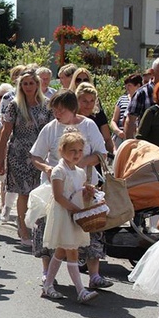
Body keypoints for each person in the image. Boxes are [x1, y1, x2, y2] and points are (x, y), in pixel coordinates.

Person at [30, 89, 111, 289]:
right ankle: (47, 272)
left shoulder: (88, 125)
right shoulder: (50, 128)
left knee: (90, 226)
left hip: (83, 185)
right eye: (55, 110)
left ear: (73, 109)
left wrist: (80, 163)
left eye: (61, 110)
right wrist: (48, 167)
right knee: (49, 226)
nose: (57, 114)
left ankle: (94, 275)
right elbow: (36, 156)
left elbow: (101, 153)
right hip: (54, 184)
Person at [40, 129, 99, 303]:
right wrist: (76, 210)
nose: (77, 154)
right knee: (71, 251)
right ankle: (81, 291)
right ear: (62, 151)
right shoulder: (59, 171)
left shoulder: (80, 172)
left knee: (63, 249)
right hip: (64, 213)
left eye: (80, 151)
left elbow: (80, 194)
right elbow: (59, 196)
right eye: (72, 151)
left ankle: (48, 284)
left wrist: (88, 193)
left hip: (75, 213)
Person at [0, 69, 52, 246]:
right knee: (24, 192)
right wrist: (0, 157)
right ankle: (23, 229)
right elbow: (6, 132)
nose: (28, 86)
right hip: (19, 154)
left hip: (40, 154)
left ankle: (39, 228)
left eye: (31, 83)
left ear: (38, 85)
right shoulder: (15, 105)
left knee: (40, 192)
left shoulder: (46, 105)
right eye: (25, 83)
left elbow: (51, 130)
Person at [126, 57, 159, 139]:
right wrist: (130, 145)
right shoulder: (142, 93)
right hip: (148, 143)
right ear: (153, 73)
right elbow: (130, 121)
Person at [69, 69, 114, 154]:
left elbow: (107, 138)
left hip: (95, 158)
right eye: (78, 80)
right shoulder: (69, 112)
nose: (88, 104)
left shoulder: (97, 112)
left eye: (85, 80)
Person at [110, 73, 143, 149]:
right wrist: (118, 132)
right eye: (126, 85)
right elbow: (113, 120)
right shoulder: (122, 99)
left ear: (138, 86)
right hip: (120, 135)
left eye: (129, 85)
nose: (127, 88)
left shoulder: (143, 101)